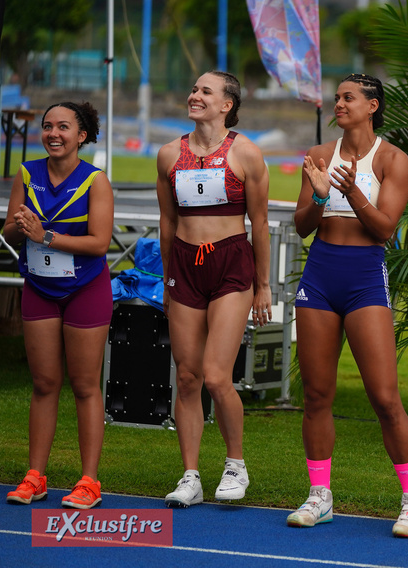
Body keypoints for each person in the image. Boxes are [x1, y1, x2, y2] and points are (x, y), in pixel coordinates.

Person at [289, 73, 408, 538]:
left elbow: (385, 229)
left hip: (365, 278)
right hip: (320, 274)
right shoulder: (319, 155)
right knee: (317, 395)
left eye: (349, 98)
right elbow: (302, 225)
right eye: (338, 98)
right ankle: (319, 496)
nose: (339, 104)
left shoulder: (392, 159)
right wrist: (323, 194)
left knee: (386, 398)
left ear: (373, 105)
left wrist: (351, 192)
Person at [156, 70, 271, 507]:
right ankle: (190, 475)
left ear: (227, 105)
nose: (194, 96)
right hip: (185, 266)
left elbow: (258, 223)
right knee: (187, 376)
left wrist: (262, 286)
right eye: (193, 89)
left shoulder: (246, 153)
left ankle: (235, 464)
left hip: (230, 264)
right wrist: (169, 277)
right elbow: (167, 221)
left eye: (205, 91)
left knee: (217, 375)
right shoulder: (169, 154)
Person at [4, 101, 113, 510]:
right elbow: (11, 232)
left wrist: (45, 235)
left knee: (84, 386)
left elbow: (100, 244)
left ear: (81, 135)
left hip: (85, 289)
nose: (53, 133)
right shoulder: (28, 173)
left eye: (63, 127)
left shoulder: (95, 181)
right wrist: (21, 225)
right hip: (39, 287)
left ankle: (89, 481)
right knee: (44, 383)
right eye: (48, 126)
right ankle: (36, 476)